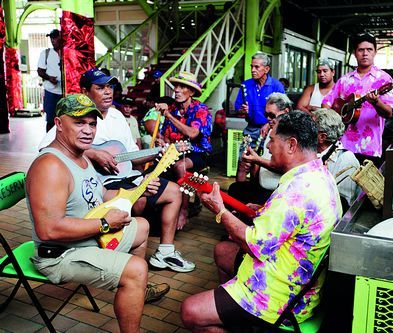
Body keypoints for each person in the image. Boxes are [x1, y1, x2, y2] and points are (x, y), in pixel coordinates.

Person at [181, 111, 342, 331]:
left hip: (280, 297)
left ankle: (239, 318)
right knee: (222, 251)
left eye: (273, 140)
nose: (267, 147)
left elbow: (253, 243)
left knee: (190, 311)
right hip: (301, 282)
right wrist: (264, 211)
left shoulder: (297, 191)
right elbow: (292, 223)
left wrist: (220, 210)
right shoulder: (320, 175)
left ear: (291, 145)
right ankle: (232, 315)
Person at [27, 94, 169, 333]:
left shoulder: (81, 157)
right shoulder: (50, 166)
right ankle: (134, 286)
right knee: (136, 270)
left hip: (88, 238)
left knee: (142, 226)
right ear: (59, 125)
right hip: (61, 255)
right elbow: (49, 230)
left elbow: (103, 196)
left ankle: (135, 292)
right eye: (79, 123)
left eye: (92, 124)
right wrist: (104, 224)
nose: (88, 130)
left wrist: (138, 192)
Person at [38, 68, 194, 273]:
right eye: (100, 87)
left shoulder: (118, 117)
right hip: (105, 182)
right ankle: (119, 259)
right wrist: (92, 154)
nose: (108, 92)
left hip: (126, 175)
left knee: (174, 191)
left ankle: (164, 252)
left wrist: (162, 153)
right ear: (85, 92)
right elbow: (46, 148)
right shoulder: (72, 118)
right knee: (137, 202)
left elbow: (132, 154)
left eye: (109, 87)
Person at [322, 33, 393, 162]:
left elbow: (390, 112)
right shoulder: (344, 80)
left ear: (375, 52)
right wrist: (331, 122)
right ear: (355, 53)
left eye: (369, 50)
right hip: (342, 145)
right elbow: (326, 102)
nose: (365, 53)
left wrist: (376, 102)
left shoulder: (384, 79)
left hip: (370, 146)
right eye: (361, 50)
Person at [155, 71, 212, 231]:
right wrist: (162, 141)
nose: (177, 90)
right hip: (175, 151)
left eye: (182, 87)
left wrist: (169, 116)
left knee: (180, 166)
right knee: (156, 164)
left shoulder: (201, 109)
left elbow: (192, 133)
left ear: (191, 92)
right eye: (176, 87)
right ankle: (160, 209)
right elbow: (166, 136)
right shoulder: (172, 109)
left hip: (198, 153)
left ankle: (183, 210)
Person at [228, 93, 292, 206]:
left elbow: (285, 168)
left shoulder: (291, 135)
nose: (268, 119)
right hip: (261, 186)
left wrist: (257, 160)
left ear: (286, 112)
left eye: (272, 115)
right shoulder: (271, 128)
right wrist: (250, 164)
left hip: (279, 194)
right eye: (266, 115)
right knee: (235, 189)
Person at [234, 52, 285, 147]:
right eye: (251, 67)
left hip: (272, 130)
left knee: (266, 160)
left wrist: (268, 125)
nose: (253, 70)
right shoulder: (246, 85)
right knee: (243, 159)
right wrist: (243, 110)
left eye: (256, 67)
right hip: (251, 129)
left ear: (266, 69)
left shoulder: (276, 86)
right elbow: (238, 108)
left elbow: (283, 112)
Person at [313, 108, 360, 210]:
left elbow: (344, 203)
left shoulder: (346, 159)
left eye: (311, 129)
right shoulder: (312, 153)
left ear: (322, 137)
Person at [37, 29, 62, 132]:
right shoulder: (46, 53)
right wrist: (49, 78)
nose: (53, 40)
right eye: (51, 38)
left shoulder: (67, 53)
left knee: (66, 120)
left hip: (65, 92)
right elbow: (40, 71)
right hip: (51, 92)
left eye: (55, 37)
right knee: (51, 120)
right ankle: (49, 142)